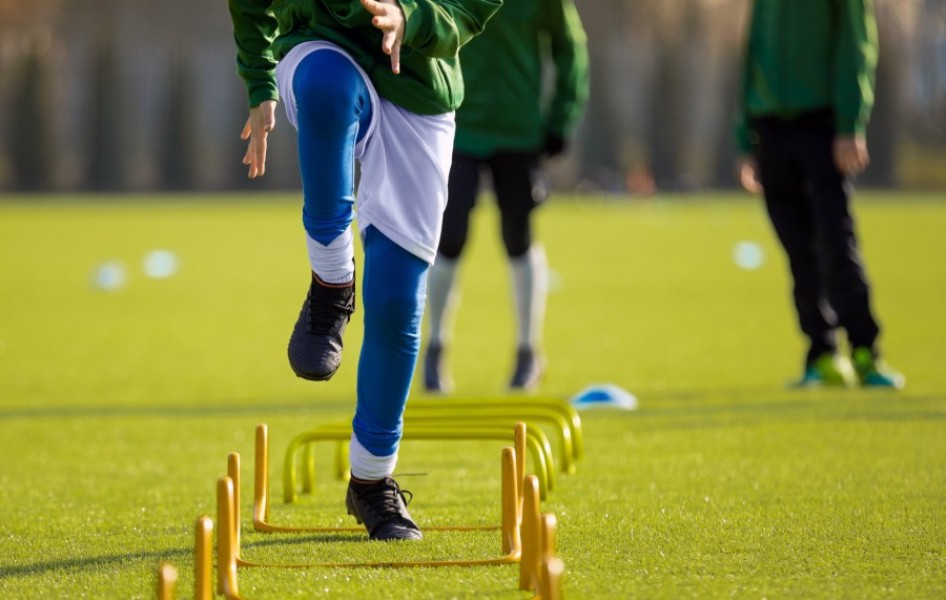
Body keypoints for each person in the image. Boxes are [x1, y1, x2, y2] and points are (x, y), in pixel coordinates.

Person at [227, 0, 502, 540]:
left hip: (420, 81)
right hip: (324, 50)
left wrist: (413, 18)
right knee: (329, 84)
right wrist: (260, 80)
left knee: (398, 298)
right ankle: (331, 283)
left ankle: (372, 482)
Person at [422, 0, 590, 393]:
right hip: (457, 125)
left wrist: (563, 114)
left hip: (518, 130)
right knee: (448, 237)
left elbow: (570, 46)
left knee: (518, 237)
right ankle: (435, 347)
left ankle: (528, 350)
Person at [734, 0, 904, 389]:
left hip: (822, 125)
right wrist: (745, 138)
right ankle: (821, 352)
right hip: (771, 127)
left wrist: (850, 122)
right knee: (796, 248)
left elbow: (857, 45)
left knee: (834, 240)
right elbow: (752, 51)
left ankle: (864, 349)